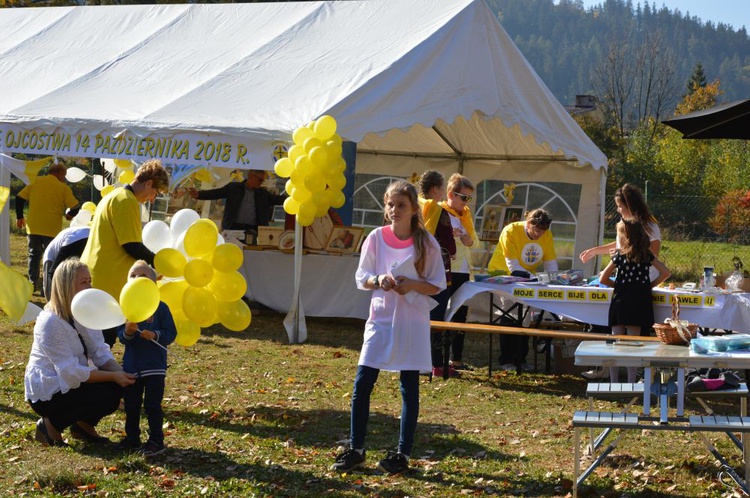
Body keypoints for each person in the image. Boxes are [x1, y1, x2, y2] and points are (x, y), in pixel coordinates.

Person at [331, 180, 445, 474]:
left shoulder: (426, 242)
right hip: (381, 319)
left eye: (401, 205)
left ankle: (402, 454)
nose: (394, 210)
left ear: (413, 209)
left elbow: (436, 286)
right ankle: (356, 448)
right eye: (390, 205)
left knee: (409, 387)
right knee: (362, 383)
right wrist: (379, 279)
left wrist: (412, 285)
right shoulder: (376, 237)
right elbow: (362, 277)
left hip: (411, 320)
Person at [24, 259, 136, 447]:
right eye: (84, 282)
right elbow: (70, 372)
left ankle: (83, 426)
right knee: (105, 395)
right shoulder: (50, 322)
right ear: (67, 286)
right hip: (50, 390)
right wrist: (113, 376)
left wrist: (121, 374)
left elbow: (100, 352)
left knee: (116, 389)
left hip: (74, 382)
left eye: (90, 281)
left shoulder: (84, 314)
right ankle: (49, 426)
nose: (90, 286)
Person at [81, 159, 170, 347]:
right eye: (155, 192)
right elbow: (131, 245)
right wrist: (157, 263)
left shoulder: (114, 196)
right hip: (107, 280)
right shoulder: (126, 201)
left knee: (93, 340)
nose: (153, 198)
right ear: (148, 184)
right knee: (103, 342)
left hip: (96, 273)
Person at [579, 183, 661, 380]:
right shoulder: (624, 224)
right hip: (627, 285)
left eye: (619, 206)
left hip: (636, 284)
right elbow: (619, 246)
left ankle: (627, 374)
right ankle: (612, 371)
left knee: (627, 338)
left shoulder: (649, 225)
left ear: (630, 205)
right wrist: (595, 251)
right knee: (616, 334)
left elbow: (652, 257)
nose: (617, 209)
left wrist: (624, 259)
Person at [115, 261, 177, 457]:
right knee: (132, 406)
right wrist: (127, 331)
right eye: (132, 276)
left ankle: (156, 440)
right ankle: (132, 438)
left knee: (152, 406)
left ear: (153, 284)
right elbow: (122, 339)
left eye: (142, 276)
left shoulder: (160, 308)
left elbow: (171, 333)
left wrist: (156, 334)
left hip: (154, 368)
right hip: (132, 367)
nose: (136, 279)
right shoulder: (126, 309)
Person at [599, 220, 670, 383]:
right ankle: (631, 382)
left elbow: (603, 278)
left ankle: (614, 382)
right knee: (633, 345)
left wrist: (617, 285)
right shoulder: (646, 254)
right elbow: (665, 272)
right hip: (639, 301)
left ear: (626, 237)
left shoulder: (619, 256)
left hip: (620, 300)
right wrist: (648, 286)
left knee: (616, 343)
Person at [488, 208, 558, 372]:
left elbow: (550, 262)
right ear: (528, 223)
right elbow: (513, 267)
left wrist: (555, 280)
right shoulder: (511, 231)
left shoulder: (546, 234)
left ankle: (520, 359)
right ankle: (506, 360)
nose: (539, 234)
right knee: (508, 316)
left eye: (543, 231)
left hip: (527, 279)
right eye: (537, 230)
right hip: (504, 276)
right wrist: (535, 278)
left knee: (525, 318)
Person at [15, 161, 80, 291]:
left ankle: (32, 283)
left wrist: (20, 217)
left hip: (33, 227)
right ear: (59, 174)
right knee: (50, 257)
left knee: (33, 255)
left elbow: (19, 198)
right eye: (64, 175)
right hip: (52, 229)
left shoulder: (35, 181)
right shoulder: (63, 188)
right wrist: (69, 216)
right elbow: (75, 207)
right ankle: (48, 285)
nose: (64, 178)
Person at [418, 170, 457, 378]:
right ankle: (435, 363)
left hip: (414, 272)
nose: (443, 193)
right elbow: (450, 245)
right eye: (442, 189)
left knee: (416, 315)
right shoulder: (439, 211)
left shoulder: (411, 205)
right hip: (435, 272)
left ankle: (415, 360)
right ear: (435, 189)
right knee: (436, 317)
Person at [441, 174, 478, 371]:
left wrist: (468, 240)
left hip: (464, 271)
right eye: (463, 197)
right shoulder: (440, 212)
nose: (466, 203)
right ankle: (437, 360)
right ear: (450, 194)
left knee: (460, 315)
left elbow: (475, 241)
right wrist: (450, 235)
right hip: (446, 270)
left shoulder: (466, 215)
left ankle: (456, 359)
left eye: (468, 199)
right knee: (441, 314)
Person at [188, 169, 285, 232]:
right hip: (232, 228)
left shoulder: (263, 194)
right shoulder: (233, 188)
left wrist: (292, 197)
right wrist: (199, 194)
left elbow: (278, 200)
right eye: (260, 180)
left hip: (252, 230)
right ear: (251, 177)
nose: (261, 183)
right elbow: (216, 193)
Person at [41, 226, 90, 300]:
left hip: (76, 237)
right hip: (88, 235)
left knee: (54, 277)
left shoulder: (50, 253)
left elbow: (52, 273)